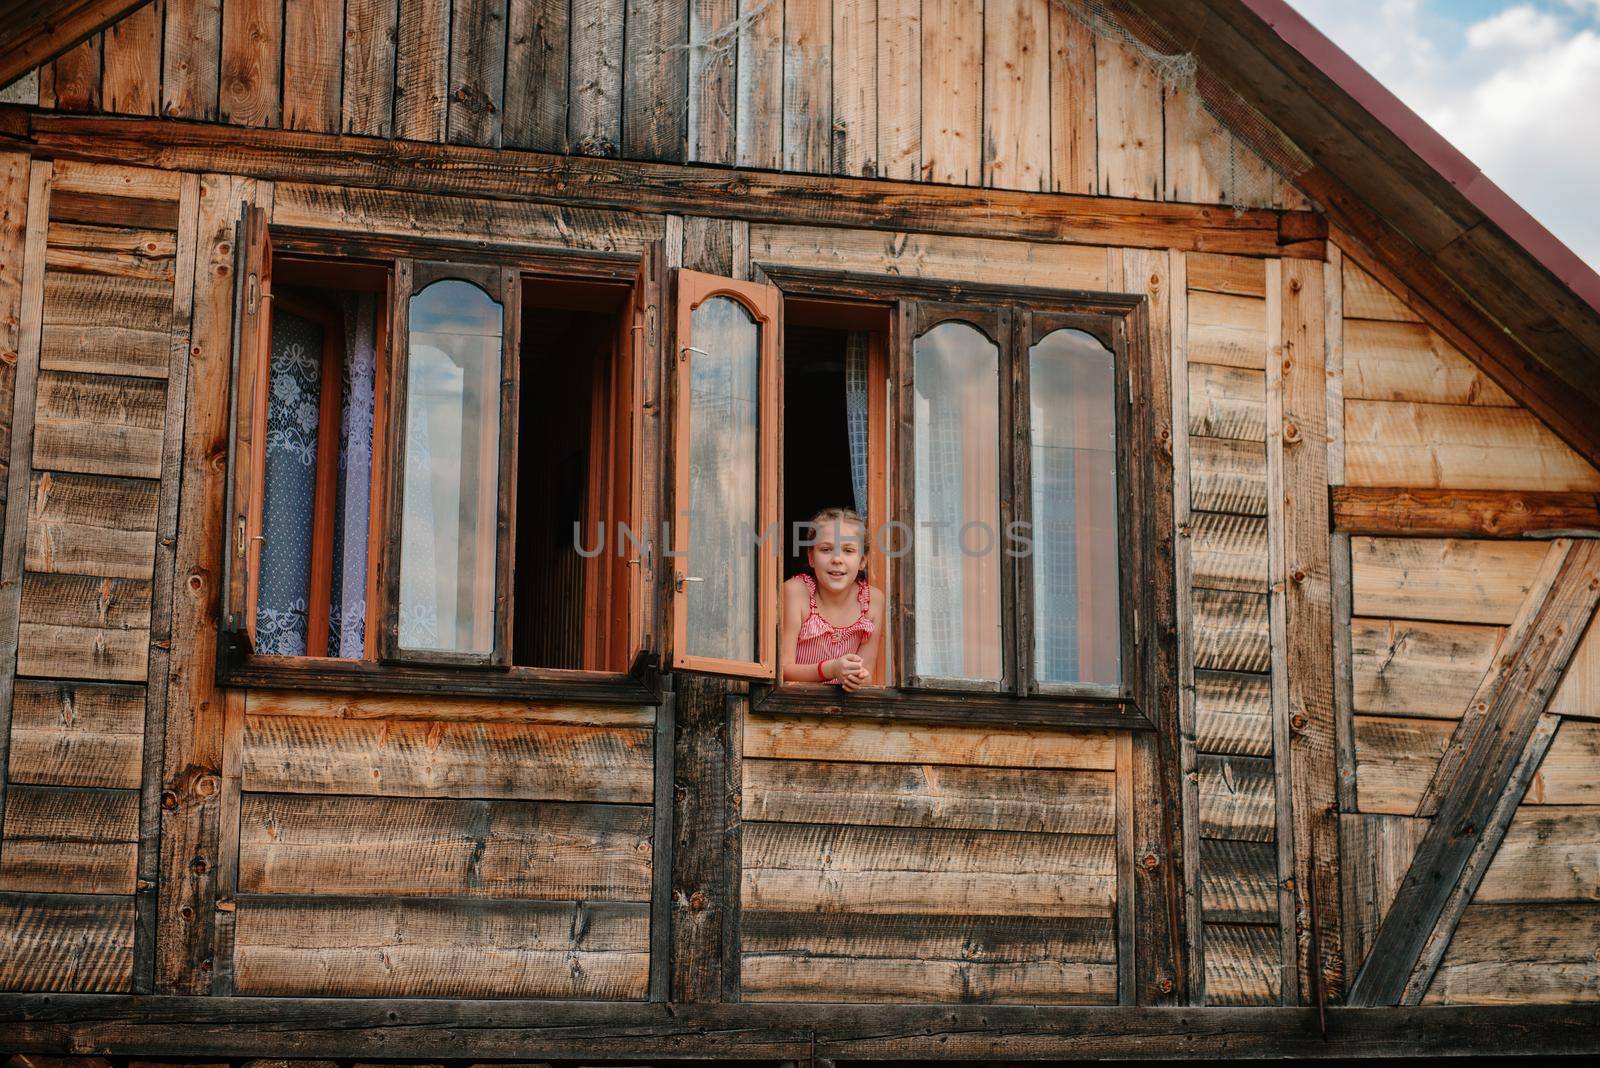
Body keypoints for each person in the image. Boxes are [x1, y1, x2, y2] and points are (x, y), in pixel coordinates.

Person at [780, 506, 885, 692]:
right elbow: (782, 669)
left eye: (848, 550)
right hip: (794, 707)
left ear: (862, 561)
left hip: (845, 712)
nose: (837, 559)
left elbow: (867, 673)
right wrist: (830, 669)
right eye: (826, 549)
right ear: (811, 558)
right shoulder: (795, 592)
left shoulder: (872, 601)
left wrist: (857, 677)